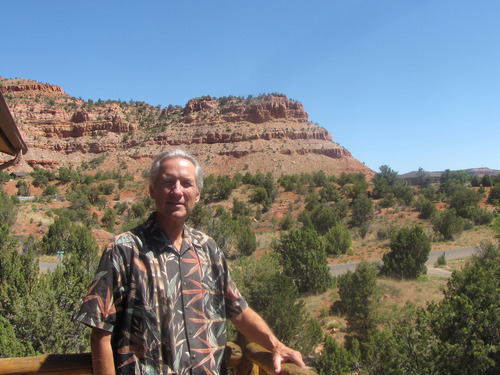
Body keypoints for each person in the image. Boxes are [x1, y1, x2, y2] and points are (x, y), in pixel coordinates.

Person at [77, 148, 305, 375]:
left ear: (197, 195)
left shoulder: (208, 249)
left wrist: (276, 345)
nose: (177, 191)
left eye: (186, 184)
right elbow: (100, 333)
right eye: (168, 183)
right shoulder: (124, 250)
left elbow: (239, 312)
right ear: (152, 190)